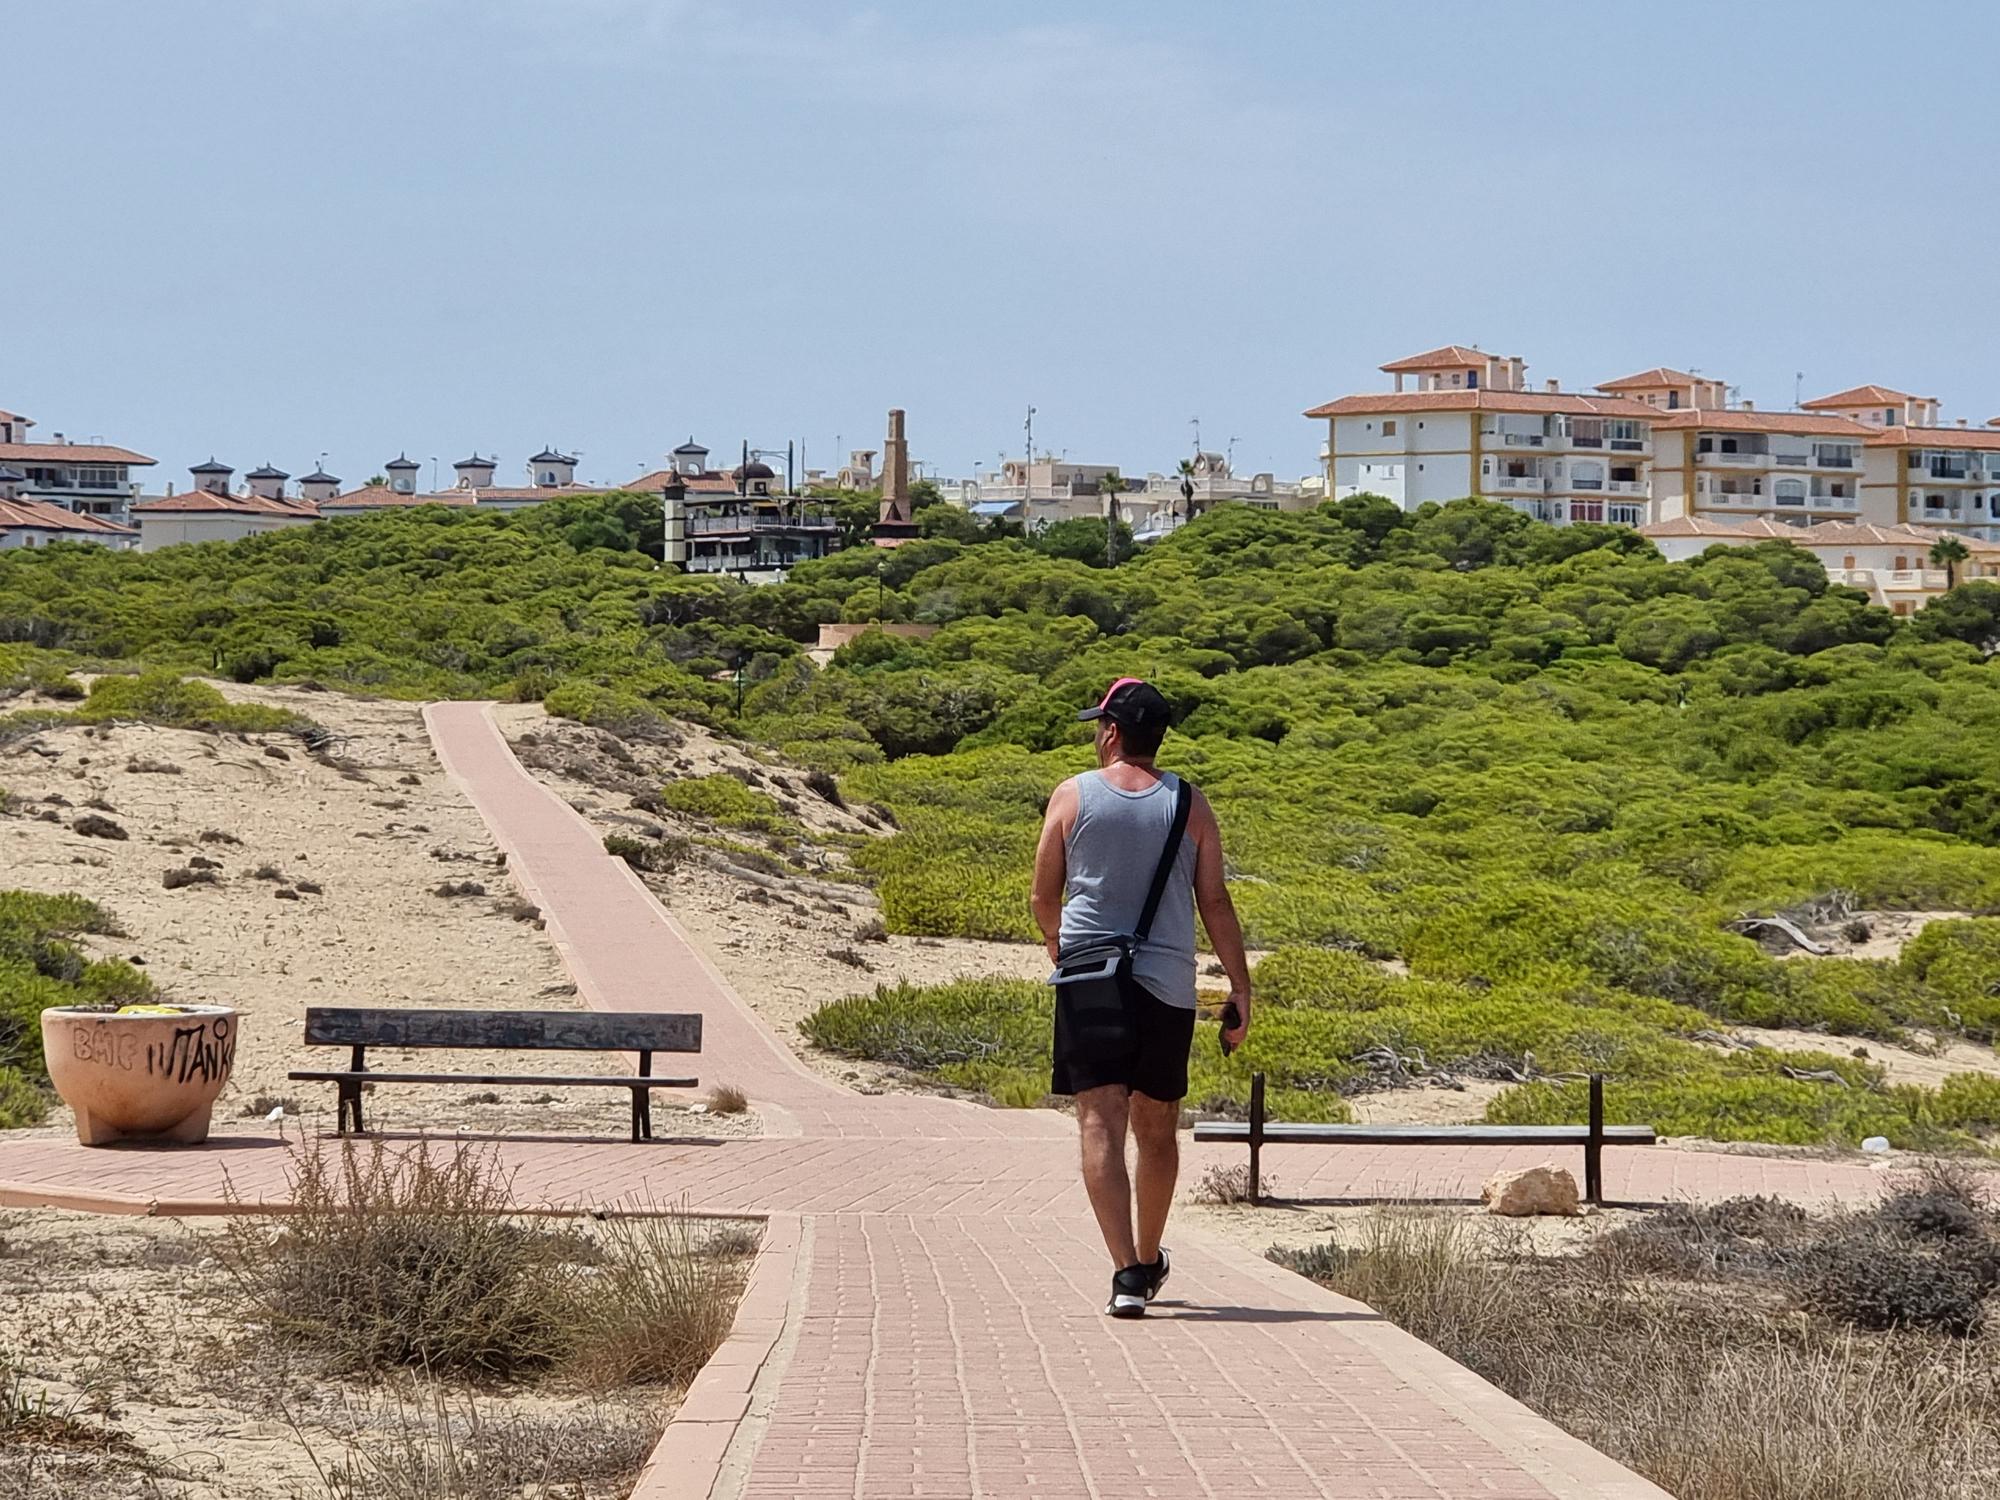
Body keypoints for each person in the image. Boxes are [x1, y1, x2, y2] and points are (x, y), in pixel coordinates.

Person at [1031, 677, 1252, 1318]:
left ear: (1112, 731)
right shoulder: (1191, 804)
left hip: (1088, 977)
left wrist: (1055, 941)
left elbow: (1046, 895)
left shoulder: (1073, 795)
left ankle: (1125, 1270)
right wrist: (1239, 988)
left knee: (1100, 1121)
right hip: (1167, 984)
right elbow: (1214, 901)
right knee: (1158, 1129)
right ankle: (1149, 1259)